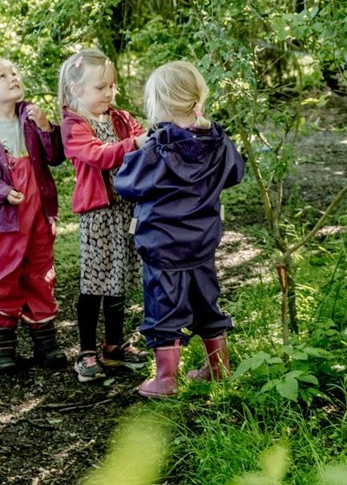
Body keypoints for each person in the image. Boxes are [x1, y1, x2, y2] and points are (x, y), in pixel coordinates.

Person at [111, 60, 244, 398]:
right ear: (198, 100)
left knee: (163, 307)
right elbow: (235, 173)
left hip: (162, 245)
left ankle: (167, 379)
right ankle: (218, 366)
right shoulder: (217, 142)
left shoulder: (157, 148)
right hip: (201, 243)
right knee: (206, 301)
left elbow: (126, 183)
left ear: (158, 105)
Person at [0, 56, 66, 372]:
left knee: (41, 271)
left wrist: (47, 128)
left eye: (14, 72)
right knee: (3, 273)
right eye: (2, 75)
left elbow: (55, 156)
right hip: (3, 216)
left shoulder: (31, 118)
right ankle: (3, 347)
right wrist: (1, 191)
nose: (12, 77)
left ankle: (45, 343)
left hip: (39, 212)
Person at [58, 49, 148, 383]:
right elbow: (99, 156)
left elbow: (142, 134)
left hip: (126, 210)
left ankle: (113, 346)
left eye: (111, 86)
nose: (108, 93)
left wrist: (147, 138)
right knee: (94, 282)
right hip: (98, 215)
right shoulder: (74, 126)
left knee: (117, 278)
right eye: (100, 88)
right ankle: (85, 351)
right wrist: (136, 144)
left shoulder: (121, 119)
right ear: (75, 90)